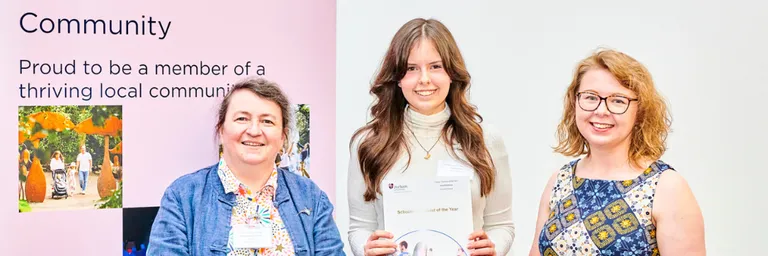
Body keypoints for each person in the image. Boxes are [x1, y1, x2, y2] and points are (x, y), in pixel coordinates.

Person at [347, 18, 514, 256]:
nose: (424, 79)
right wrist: (367, 247)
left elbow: (501, 225)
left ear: (452, 73)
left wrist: (492, 247)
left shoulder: (486, 139)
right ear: (397, 78)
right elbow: (359, 227)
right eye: (411, 68)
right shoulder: (369, 143)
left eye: (435, 66)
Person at [529, 48, 706, 255]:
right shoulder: (559, 181)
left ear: (640, 112)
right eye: (590, 97)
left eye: (618, 101)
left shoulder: (667, 187)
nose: (601, 110)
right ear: (574, 103)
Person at [147, 77, 345, 255]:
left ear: (283, 136)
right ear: (221, 130)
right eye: (242, 118)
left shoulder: (310, 197)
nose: (254, 130)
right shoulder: (183, 196)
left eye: (267, 121)